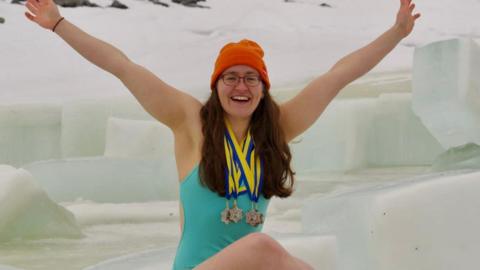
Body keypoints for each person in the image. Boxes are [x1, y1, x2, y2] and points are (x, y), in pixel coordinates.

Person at [24, 0, 420, 269]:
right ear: (217, 85)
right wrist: (59, 23)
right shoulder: (189, 121)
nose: (241, 86)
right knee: (263, 246)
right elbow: (122, 66)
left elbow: (340, 75)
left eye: (251, 78)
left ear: (263, 88)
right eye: (231, 77)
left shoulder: (276, 130)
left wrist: (397, 33)